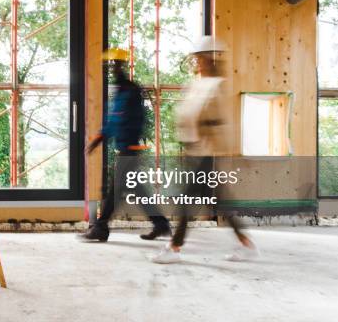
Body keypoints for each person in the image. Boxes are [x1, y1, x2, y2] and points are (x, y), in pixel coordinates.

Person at [150, 36, 259, 263]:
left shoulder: (216, 85)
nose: (198, 62)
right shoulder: (197, 84)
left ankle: (175, 247)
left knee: (185, 203)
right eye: (196, 58)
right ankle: (246, 244)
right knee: (221, 202)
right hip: (194, 152)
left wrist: (207, 140)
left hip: (205, 153)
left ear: (212, 58)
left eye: (201, 58)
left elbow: (218, 122)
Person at [80, 48, 171, 242]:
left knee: (115, 191)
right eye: (109, 67)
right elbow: (113, 120)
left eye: (113, 66)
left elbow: (129, 120)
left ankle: (101, 228)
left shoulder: (130, 90)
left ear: (120, 66)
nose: (111, 70)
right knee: (135, 188)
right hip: (125, 148)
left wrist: (107, 140)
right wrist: (99, 138)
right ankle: (161, 224)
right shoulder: (121, 90)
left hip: (128, 149)